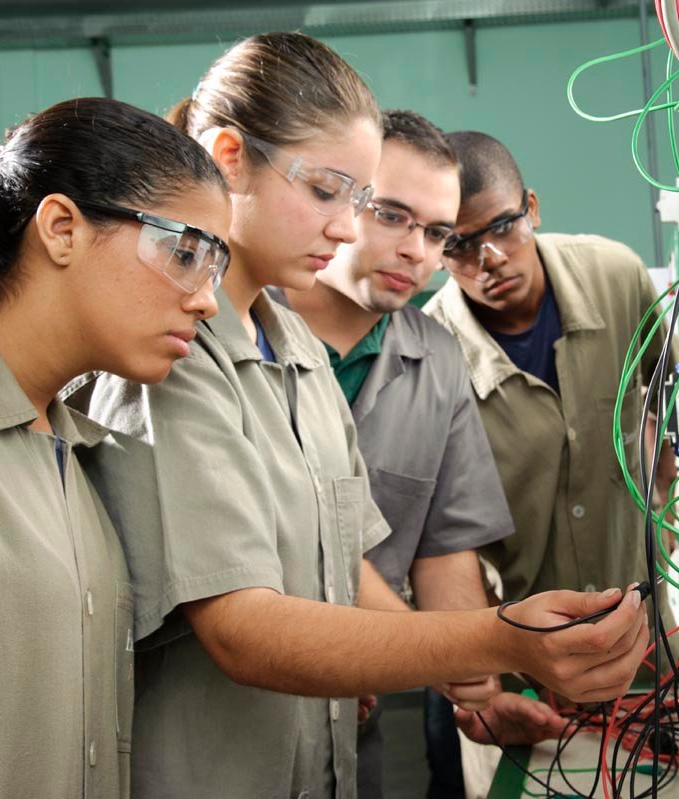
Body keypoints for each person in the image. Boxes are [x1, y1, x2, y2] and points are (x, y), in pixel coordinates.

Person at [72, 32, 648, 799]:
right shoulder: (168, 354)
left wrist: (474, 687)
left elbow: (342, 562)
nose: (347, 229)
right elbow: (242, 628)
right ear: (229, 155)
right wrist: (501, 636)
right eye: (327, 192)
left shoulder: (298, 358)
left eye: (356, 199)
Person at [0, 97, 230, 798]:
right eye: (186, 254)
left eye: (215, 268)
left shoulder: (67, 451)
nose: (207, 301)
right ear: (61, 228)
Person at [275, 109, 510, 799]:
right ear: (338, 198)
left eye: (437, 233)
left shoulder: (437, 361)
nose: (419, 252)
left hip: (360, 720)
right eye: (392, 215)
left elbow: (444, 545)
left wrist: (478, 686)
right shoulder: (228, 332)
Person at [425, 130, 679, 634]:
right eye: (460, 245)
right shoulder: (428, 354)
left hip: (643, 635)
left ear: (532, 208)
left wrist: (665, 511)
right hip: (518, 656)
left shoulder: (617, 277)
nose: (492, 259)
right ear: (437, 248)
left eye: (504, 226)